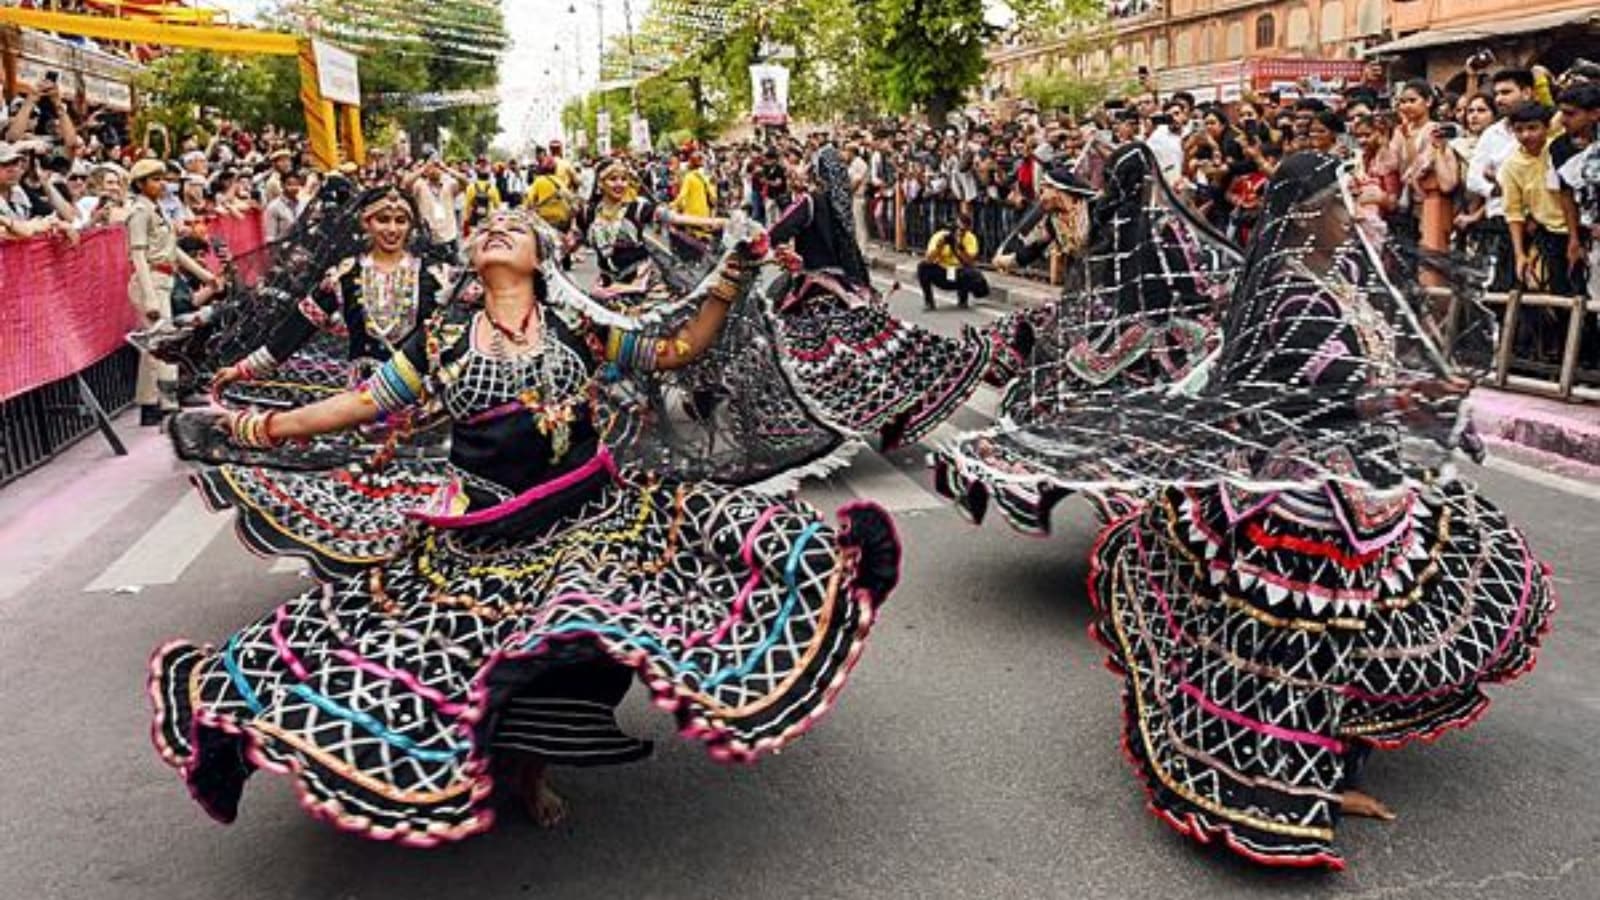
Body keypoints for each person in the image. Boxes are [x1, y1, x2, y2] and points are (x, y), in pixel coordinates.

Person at [150, 210, 900, 842]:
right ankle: (496, 754)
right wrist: (256, 428)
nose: (497, 230)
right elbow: (361, 404)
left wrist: (731, 277)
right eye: (485, 228)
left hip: (589, 513)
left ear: (543, 258)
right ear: (472, 259)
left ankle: (535, 767)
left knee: (598, 625)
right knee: (434, 653)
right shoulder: (442, 338)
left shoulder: (577, 321)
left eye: (515, 226)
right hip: (485, 530)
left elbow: (676, 351)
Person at [936, 153, 1554, 869]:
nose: (1352, 213)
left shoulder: (1333, 279)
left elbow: (1365, 370)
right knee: (1300, 643)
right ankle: (1289, 781)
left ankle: (1335, 754)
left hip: (1356, 481)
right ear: (1307, 214)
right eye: (1340, 202)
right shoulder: (1292, 295)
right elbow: (1308, 396)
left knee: (1364, 620)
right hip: (1303, 493)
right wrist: (1406, 405)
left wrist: (1422, 403)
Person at [765, 145, 1014, 449]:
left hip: (814, 290)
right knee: (878, 351)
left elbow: (775, 233)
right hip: (846, 289)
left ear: (817, 173)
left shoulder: (809, 202)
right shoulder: (839, 204)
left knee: (807, 358)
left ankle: (817, 423)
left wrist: (760, 244)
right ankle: (893, 409)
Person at [210, 185, 455, 410]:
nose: (392, 229)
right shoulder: (343, 275)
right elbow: (296, 329)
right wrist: (242, 369)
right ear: (366, 222)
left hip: (418, 404)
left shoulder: (435, 276)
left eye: (400, 221)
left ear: (411, 226)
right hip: (359, 405)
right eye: (383, 220)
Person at [125, 158, 220, 425]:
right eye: (155, 180)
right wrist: (150, 296)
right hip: (150, 280)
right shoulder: (140, 212)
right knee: (164, 344)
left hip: (163, 278)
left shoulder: (158, 210)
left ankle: (151, 404)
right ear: (140, 184)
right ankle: (167, 403)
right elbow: (138, 256)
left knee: (156, 346)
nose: (162, 184)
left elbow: (173, 250)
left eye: (162, 179)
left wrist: (205, 276)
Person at [917, 212, 989, 310]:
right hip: (942, 271)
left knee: (972, 273)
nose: (959, 232)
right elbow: (928, 259)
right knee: (923, 267)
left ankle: (963, 299)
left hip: (958, 272)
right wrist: (940, 246)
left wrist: (958, 248)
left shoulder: (970, 238)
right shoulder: (940, 236)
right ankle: (929, 301)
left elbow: (970, 262)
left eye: (962, 230)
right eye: (956, 229)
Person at [262, 169, 307, 243]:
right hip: (282, 247)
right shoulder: (273, 207)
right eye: (290, 184)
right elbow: (269, 237)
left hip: (300, 246)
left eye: (296, 184)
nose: (294, 188)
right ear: (282, 185)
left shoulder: (302, 204)